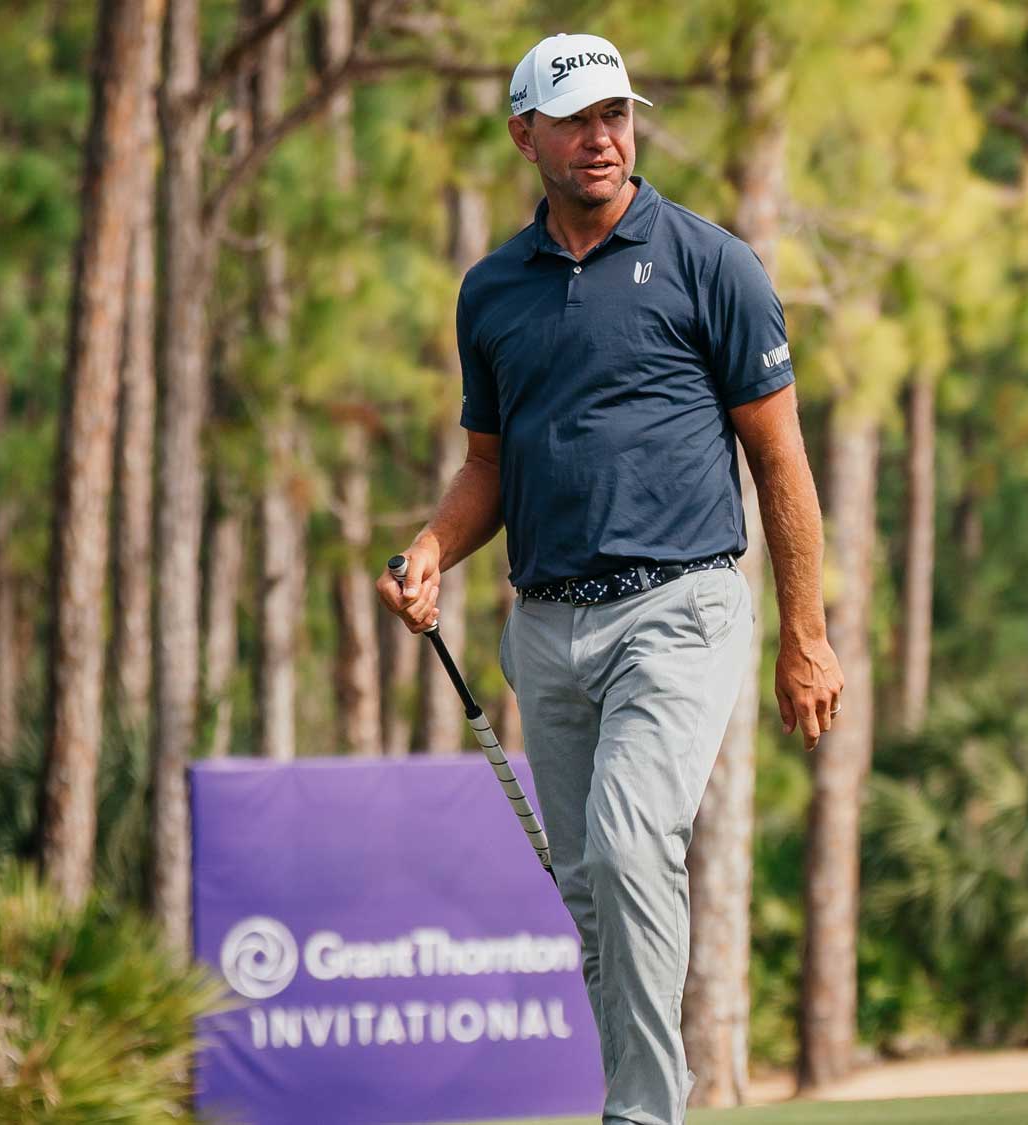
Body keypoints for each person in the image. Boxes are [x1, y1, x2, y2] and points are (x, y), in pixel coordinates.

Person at [377, 32, 843, 1125]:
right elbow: (488, 467)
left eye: (617, 116)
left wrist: (805, 634)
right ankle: (639, 1098)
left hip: (679, 607)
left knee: (634, 847)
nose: (602, 138)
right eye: (576, 119)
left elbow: (780, 461)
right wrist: (435, 549)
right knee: (594, 893)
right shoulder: (492, 290)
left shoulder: (708, 261)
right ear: (523, 135)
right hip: (545, 629)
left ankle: (643, 1115)